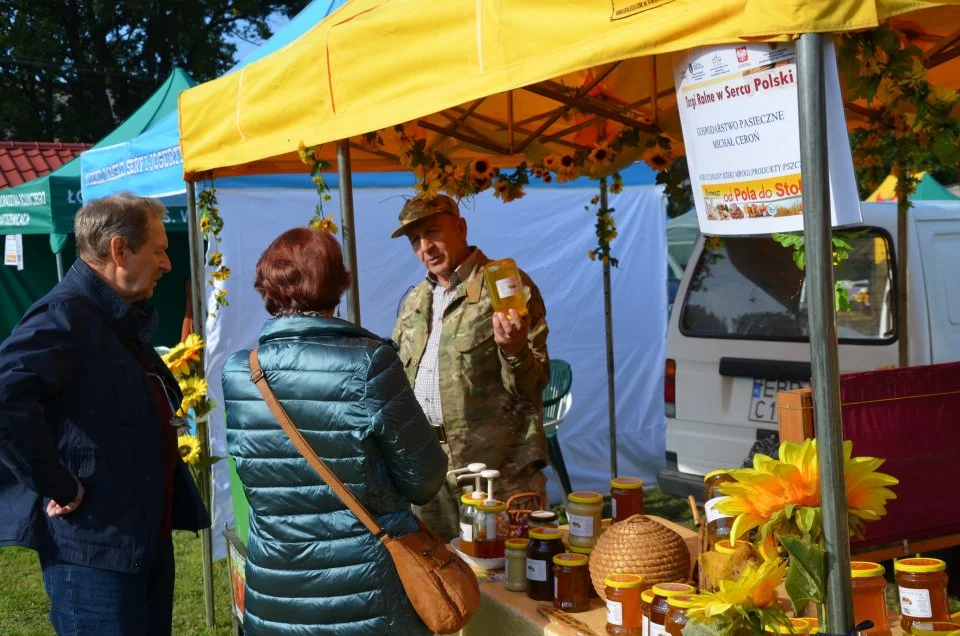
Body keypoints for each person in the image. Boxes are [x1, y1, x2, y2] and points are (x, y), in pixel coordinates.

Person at [0, 194, 210, 636]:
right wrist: (55, 481)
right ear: (119, 250)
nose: (167, 263)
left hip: (138, 542)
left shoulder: (111, 318)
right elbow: (5, 395)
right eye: (159, 249)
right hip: (96, 556)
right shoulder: (66, 314)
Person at [222, 227, 447, 636]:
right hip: (366, 594)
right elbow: (424, 479)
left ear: (267, 287)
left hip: (276, 590)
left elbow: (257, 476)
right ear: (337, 283)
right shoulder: (370, 362)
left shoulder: (239, 371)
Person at [391, 194, 550, 541]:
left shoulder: (506, 287)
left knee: (505, 584)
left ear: (461, 228)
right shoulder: (416, 301)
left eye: (432, 232)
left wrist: (515, 349)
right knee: (440, 584)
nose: (425, 247)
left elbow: (534, 384)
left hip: (497, 474)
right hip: (430, 472)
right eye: (415, 240)